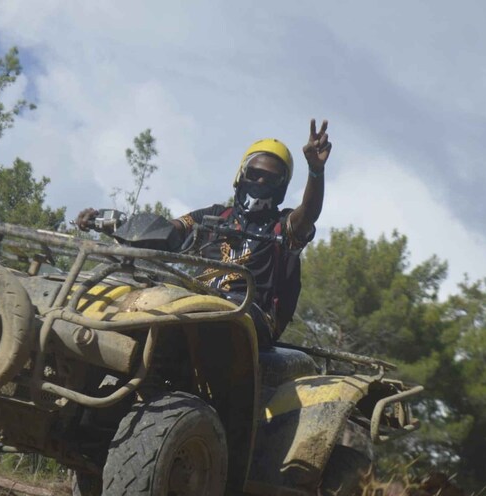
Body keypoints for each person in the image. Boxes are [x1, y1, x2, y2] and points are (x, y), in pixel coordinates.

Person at [77, 119, 331, 347]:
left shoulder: (282, 225)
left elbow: (307, 215)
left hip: (249, 316)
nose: (260, 183)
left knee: (204, 316)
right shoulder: (215, 215)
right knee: (122, 298)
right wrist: (110, 221)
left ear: (282, 186)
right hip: (192, 300)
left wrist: (315, 171)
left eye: (270, 179)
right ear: (241, 174)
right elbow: (168, 231)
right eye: (255, 174)